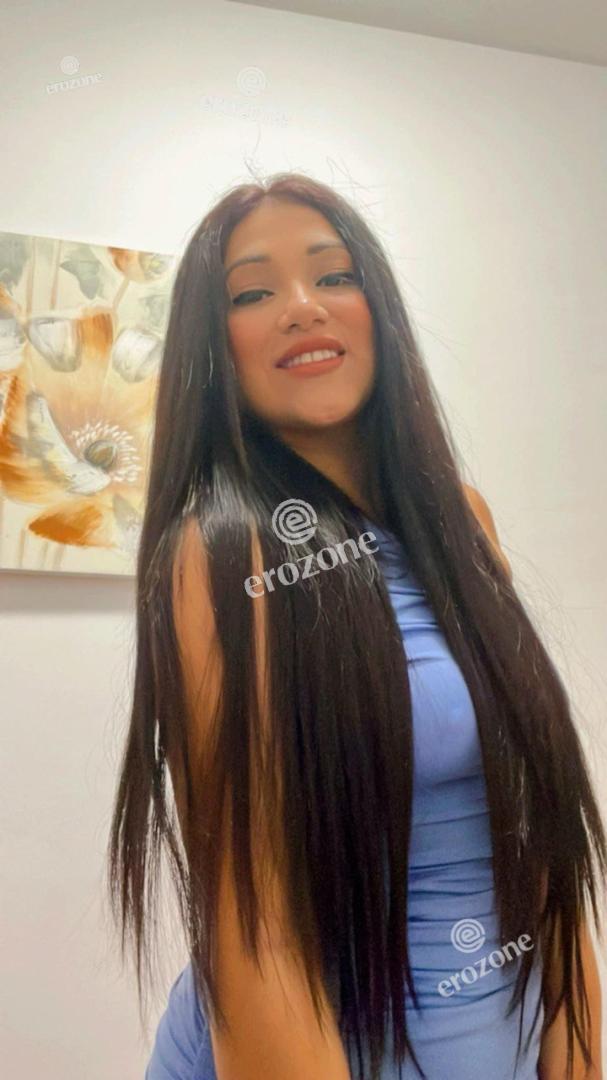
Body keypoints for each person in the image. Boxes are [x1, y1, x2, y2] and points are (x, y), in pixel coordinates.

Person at [107, 173, 606, 1080]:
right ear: (214, 347)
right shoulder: (222, 555)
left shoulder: (464, 520)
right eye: (252, 293)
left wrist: (576, 1042)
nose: (302, 306)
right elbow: (253, 932)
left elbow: (533, 817)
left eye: (333, 276)